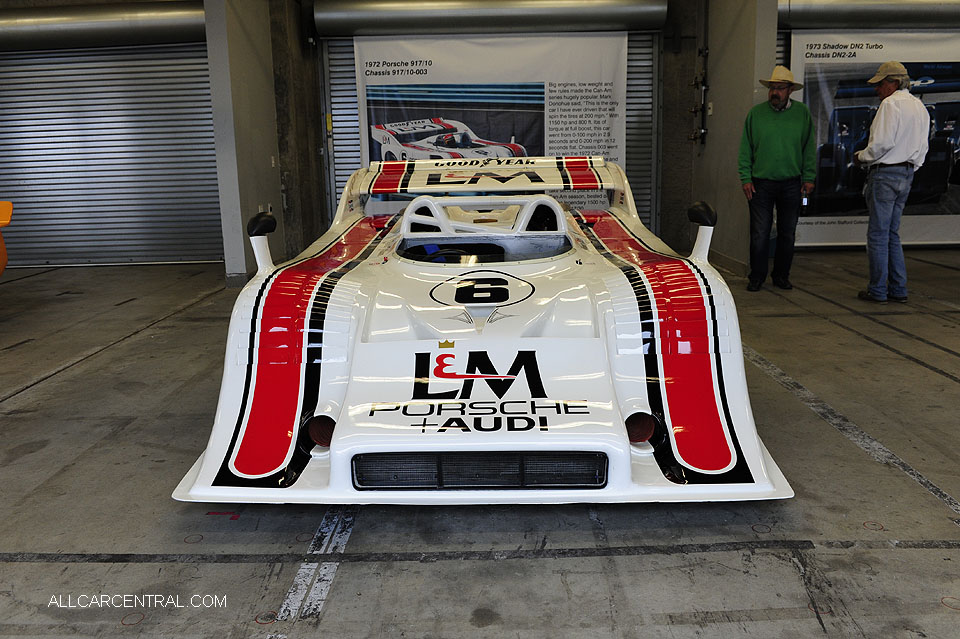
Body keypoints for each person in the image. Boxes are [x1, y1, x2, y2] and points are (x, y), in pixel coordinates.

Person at [853, 61, 929, 304]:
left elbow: (881, 144)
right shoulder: (920, 107)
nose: (877, 89)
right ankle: (898, 288)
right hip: (906, 174)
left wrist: (861, 157)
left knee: (877, 235)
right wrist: (911, 168)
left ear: (893, 83)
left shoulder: (890, 104)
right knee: (892, 234)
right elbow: (923, 148)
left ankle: (877, 290)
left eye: (880, 84)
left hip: (885, 174)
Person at [738, 65, 816, 292]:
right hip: (760, 182)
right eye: (772, 88)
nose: (775, 92)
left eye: (780, 88)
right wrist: (745, 178)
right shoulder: (756, 114)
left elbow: (808, 148)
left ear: (790, 90)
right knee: (760, 232)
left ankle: (781, 275)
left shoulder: (802, 113)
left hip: (792, 182)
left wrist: (809, 177)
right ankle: (757, 276)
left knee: (787, 232)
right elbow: (745, 149)